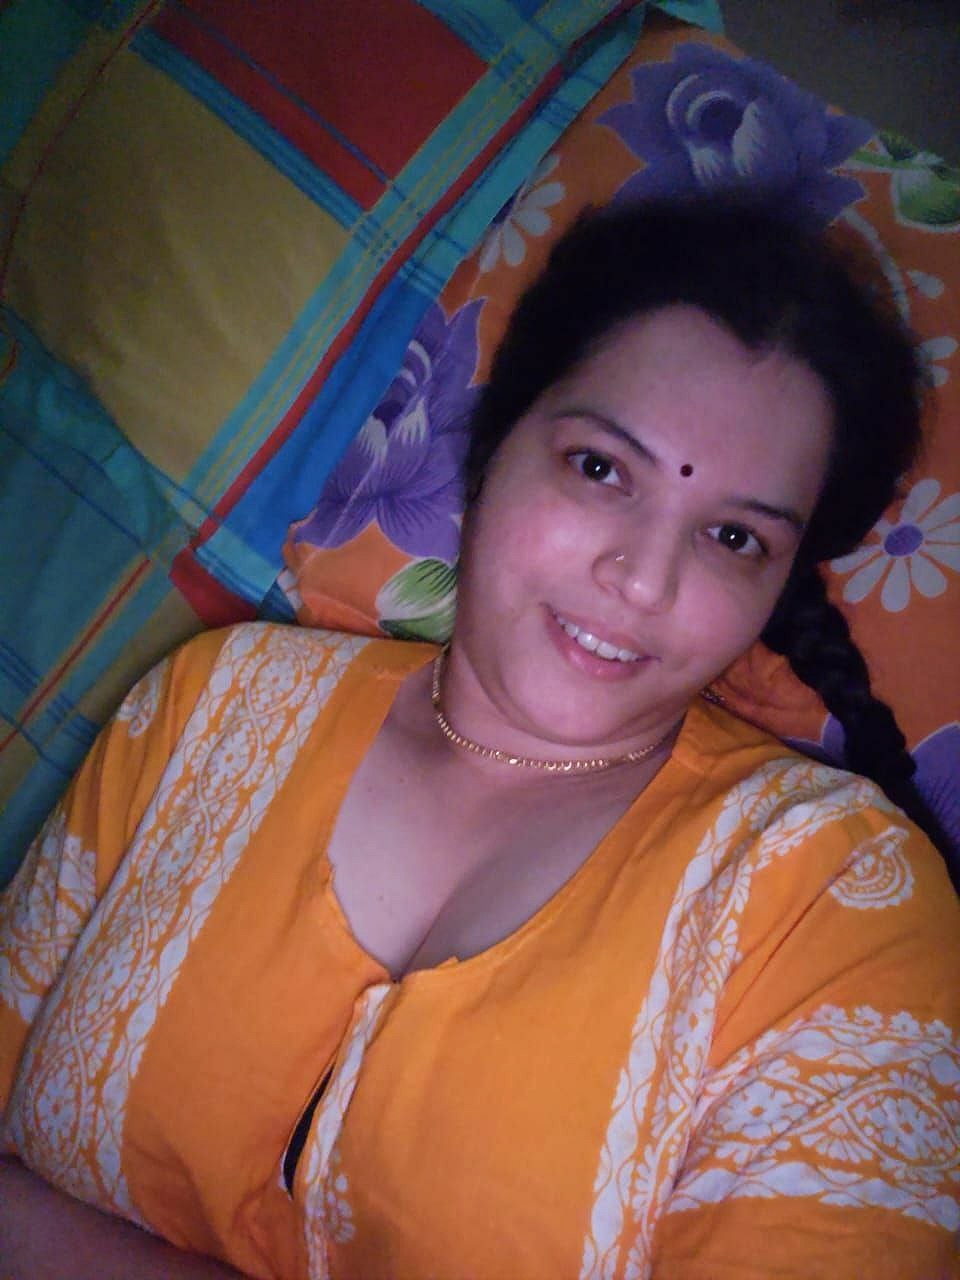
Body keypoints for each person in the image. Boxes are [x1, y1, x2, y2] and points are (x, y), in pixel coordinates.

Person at [1, 201, 958, 1280]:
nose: (643, 579)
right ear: (497, 443)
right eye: (601, 468)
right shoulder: (210, 707)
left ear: (778, 582)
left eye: (734, 536)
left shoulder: (834, 902)